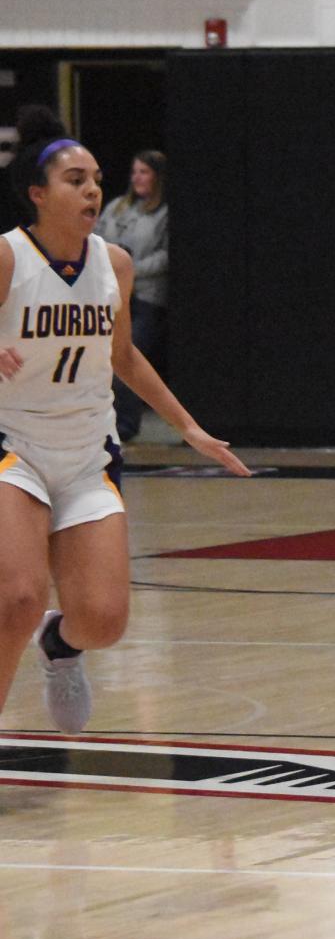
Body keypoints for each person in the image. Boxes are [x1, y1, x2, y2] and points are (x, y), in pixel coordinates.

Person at [0, 107, 249, 735]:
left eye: (95, 179)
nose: (91, 190)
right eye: (75, 180)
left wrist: (187, 427)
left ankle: (60, 647)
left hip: (87, 452)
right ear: (37, 193)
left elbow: (123, 355)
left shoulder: (115, 264)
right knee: (18, 598)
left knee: (104, 621)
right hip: (14, 444)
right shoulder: (7, 258)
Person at [93, 150, 168, 443]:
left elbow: (166, 256)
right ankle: (106, 422)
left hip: (147, 296)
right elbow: (95, 238)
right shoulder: (116, 208)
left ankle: (127, 425)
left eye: (144, 172)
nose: (137, 177)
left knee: (128, 353)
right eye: (134, 171)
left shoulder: (163, 213)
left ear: (158, 177)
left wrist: (131, 270)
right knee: (104, 357)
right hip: (110, 293)